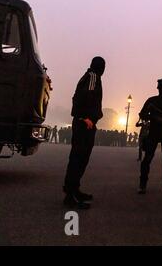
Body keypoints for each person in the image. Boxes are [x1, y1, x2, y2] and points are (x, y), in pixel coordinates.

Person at [63, 56, 105, 209]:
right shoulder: (93, 77)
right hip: (84, 123)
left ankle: (74, 189)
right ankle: (70, 195)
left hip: (84, 122)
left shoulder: (87, 76)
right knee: (79, 158)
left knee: (78, 158)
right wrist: (84, 117)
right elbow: (84, 97)